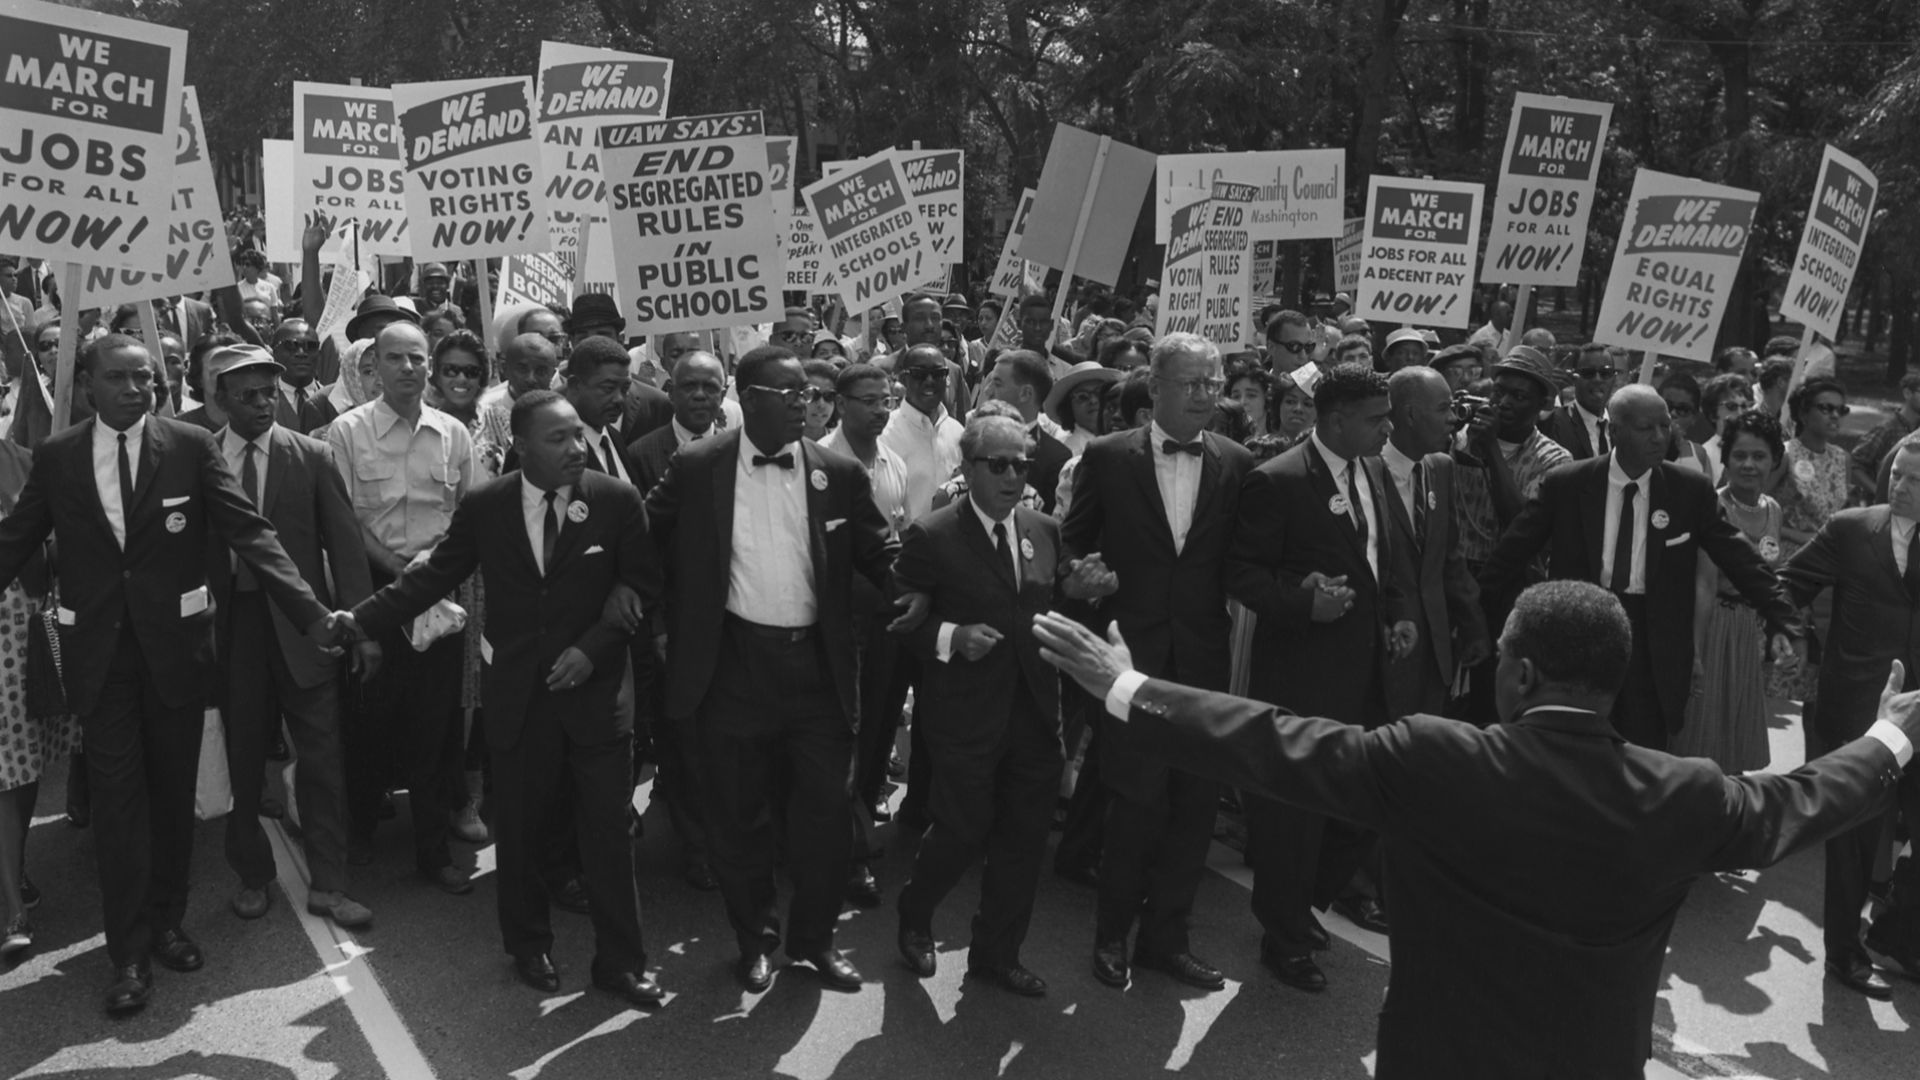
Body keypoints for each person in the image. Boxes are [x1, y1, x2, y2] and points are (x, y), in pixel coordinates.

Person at [1030, 581, 1920, 1080]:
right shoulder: (1686, 793)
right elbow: (1800, 800)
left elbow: (1270, 741)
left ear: (1521, 673)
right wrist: (1888, 738)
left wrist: (1125, 688)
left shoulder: (1434, 761)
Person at [0, 334, 334, 1014]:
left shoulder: (188, 446)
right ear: (86, 386)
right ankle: (127, 953)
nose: (135, 389)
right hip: (100, 661)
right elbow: (16, 539)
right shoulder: (60, 457)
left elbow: (250, 532)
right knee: (120, 809)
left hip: (178, 658)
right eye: (119, 378)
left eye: (145, 378)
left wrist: (312, 612)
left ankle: (168, 920)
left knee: (171, 798)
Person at [333, 390, 665, 1006]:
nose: (575, 448)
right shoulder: (487, 505)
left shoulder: (615, 499)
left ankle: (621, 963)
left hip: (596, 698)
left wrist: (592, 647)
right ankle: (529, 944)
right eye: (558, 438)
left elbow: (644, 578)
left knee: (606, 835)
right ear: (520, 446)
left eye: (577, 435)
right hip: (519, 697)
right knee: (520, 829)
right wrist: (359, 620)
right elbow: (432, 576)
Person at [636, 345, 904, 994]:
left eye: (809, 398)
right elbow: (643, 542)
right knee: (738, 818)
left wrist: (925, 595)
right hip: (733, 669)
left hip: (817, 669)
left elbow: (882, 551)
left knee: (824, 817)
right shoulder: (698, 466)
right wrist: (661, 621)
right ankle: (754, 939)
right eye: (789, 396)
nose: (804, 407)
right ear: (747, 398)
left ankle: (813, 941)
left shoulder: (836, 472)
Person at [1059, 331, 1254, 992]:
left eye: (1214, 382)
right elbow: (1074, 544)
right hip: (1129, 659)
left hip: (1201, 660)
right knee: (1134, 804)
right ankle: (1111, 937)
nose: (1207, 395)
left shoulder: (1236, 461)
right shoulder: (1111, 459)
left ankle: (1167, 940)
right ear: (1157, 386)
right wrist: (1079, 578)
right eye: (1193, 383)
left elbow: (1243, 562)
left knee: (1193, 807)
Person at [1228, 363, 1417, 989]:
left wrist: (1395, 616)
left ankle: (1304, 904)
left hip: (1368, 678)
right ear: (1336, 419)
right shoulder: (1277, 482)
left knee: (1362, 810)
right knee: (1294, 819)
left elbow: (1384, 564)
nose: (1387, 427)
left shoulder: (1375, 473)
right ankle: (1283, 937)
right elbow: (1244, 575)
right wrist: (1302, 602)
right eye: (1376, 418)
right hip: (1302, 680)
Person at [1480, 385, 1800, 750]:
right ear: (1615, 431)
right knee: (1569, 752)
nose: (1660, 437)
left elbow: (1738, 556)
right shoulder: (1568, 484)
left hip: (1653, 646)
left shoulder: (1688, 490)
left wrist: (1783, 617)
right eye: (1647, 428)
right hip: (1579, 636)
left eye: (1665, 427)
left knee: (1641, 757)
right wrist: (1475, 617)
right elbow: (1511, 554)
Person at [203, 344, 376, 929]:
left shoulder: (312, 455)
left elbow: (345, 549)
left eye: (268, 393)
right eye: (247, 395)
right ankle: (253, 874)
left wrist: (362, 627)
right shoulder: (197, 458)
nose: (261, 405)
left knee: (323, 759)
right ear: (219, 397)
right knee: (244, 760)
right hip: (234, 631)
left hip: (308, 631)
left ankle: (330, 883)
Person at [893, 414, 1064, 997]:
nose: (1014, 475)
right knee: (962, 831)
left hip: (1035, 714)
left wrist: (1087, 591)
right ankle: (915, 913)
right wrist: (951, 637)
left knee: (1022, 841)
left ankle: (996, 954)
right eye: (999, 465)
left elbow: (1050, 610)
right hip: (965, 713)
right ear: (969, 469)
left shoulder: (1044, 529)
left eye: (1023, 464)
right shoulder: (933, 535)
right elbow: (898, 624)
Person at [326, 322, 479, 891]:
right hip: (375, 596)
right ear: (375, 366)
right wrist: (400, 575)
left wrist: (434, 573)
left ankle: (433, 851)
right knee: (370, 719)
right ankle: (361, 830)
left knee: (436, 730)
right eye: (396, 359)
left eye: (418, 359)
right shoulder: (347, 433)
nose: (409, 369)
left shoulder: (453, 434)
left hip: (441, 598)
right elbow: (342, 522)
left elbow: (467, 515)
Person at [1783, 439, 1920, 997]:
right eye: (1898, 474)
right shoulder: (1849, 528)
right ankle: (1843, 954)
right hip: (1861, 711)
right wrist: (1785, 633)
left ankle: (1901, 940)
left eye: (1915, 480)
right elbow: (1789, 585)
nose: (1900, 486)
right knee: (1854, 842)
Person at [1672, 411, 1784, 774]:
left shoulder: (1774, 510)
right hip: (1712, 625)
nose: (1748, 465)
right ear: (1726, 458)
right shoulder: (1714, 506)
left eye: (1759, 456)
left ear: (1774, 461)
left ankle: (1725, 821)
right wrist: (1695, 653)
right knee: (1701, 737)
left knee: (1735, 740)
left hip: (1749, 631)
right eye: (1740, 455)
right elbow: (1703, 584)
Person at [1382, 367, 1490, 719]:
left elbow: (1450, 557)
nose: (1454, 419)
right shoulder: (1364, 470)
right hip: (1383, 650)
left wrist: (1472, 624)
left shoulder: (1441, 468)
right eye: (1444, 408)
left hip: (1434, 652)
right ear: (1411, 415)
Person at [0, 437, 63, 960]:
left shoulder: (27, 460)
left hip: (16, 630)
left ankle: (12, 874)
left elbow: (52, 545)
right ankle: (10, 906)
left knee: (15, 767)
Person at [879, 344, 965, 524]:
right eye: (919, 374)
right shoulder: (884, 435)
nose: (929, 380)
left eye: (938, 373)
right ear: (903, 379)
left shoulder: (958, 432)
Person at [979, 350, 1070, 512]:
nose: (987, 391)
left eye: (997, 384)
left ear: (1025, 394)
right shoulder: (975, 441)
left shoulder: (1055, 459)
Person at [1851, 372, 1920, 503]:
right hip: (1883, 506)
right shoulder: (1886, 429)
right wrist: (1877, 490)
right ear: (1907, 393)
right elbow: (1855, 464)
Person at [1540, 343, 1615, 459]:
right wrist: (1549, 395)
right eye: (1588, 373)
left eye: (1605, 373)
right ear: (1574, 378)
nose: (1597, 379)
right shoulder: (1554, 423)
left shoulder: (1623, 426)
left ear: (1613, 379)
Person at [269, 318, 338, 434]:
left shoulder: (334, 400)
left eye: (310, 346)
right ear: (274, 353)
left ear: (319, 354)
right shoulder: (264, 403)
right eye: (291, 345)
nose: (301, 353)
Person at [1046, 361, 1117, 457]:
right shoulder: (1067, 452)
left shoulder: (1123, 439)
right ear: (1068, 407)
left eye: (1099, 392)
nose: (1093, 401)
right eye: (1082, 396)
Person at [1698, 372, 1755, 485]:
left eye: (1744, 406)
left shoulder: (1755, 450)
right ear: (1713, 415)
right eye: (1731, 407)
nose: (1740, 413)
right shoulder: (1705, 454)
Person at [1223, 360, 1274, 440]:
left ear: (1267, 398)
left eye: (1251, 395)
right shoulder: (1221, 443)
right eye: (1236, 396)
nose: (1242, 402)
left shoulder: (1281, 442)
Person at [1263, 309, 1317, 374]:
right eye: (1295, 347)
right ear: (1271, 347)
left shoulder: (1317, 382)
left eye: (1308, 347)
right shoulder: (1254, 383)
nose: (1303, 356)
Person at [802, 358, 839, 441]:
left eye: (829, 396)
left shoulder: (845, 443)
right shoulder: (775, 445)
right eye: (812, 394)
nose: (821, 404)